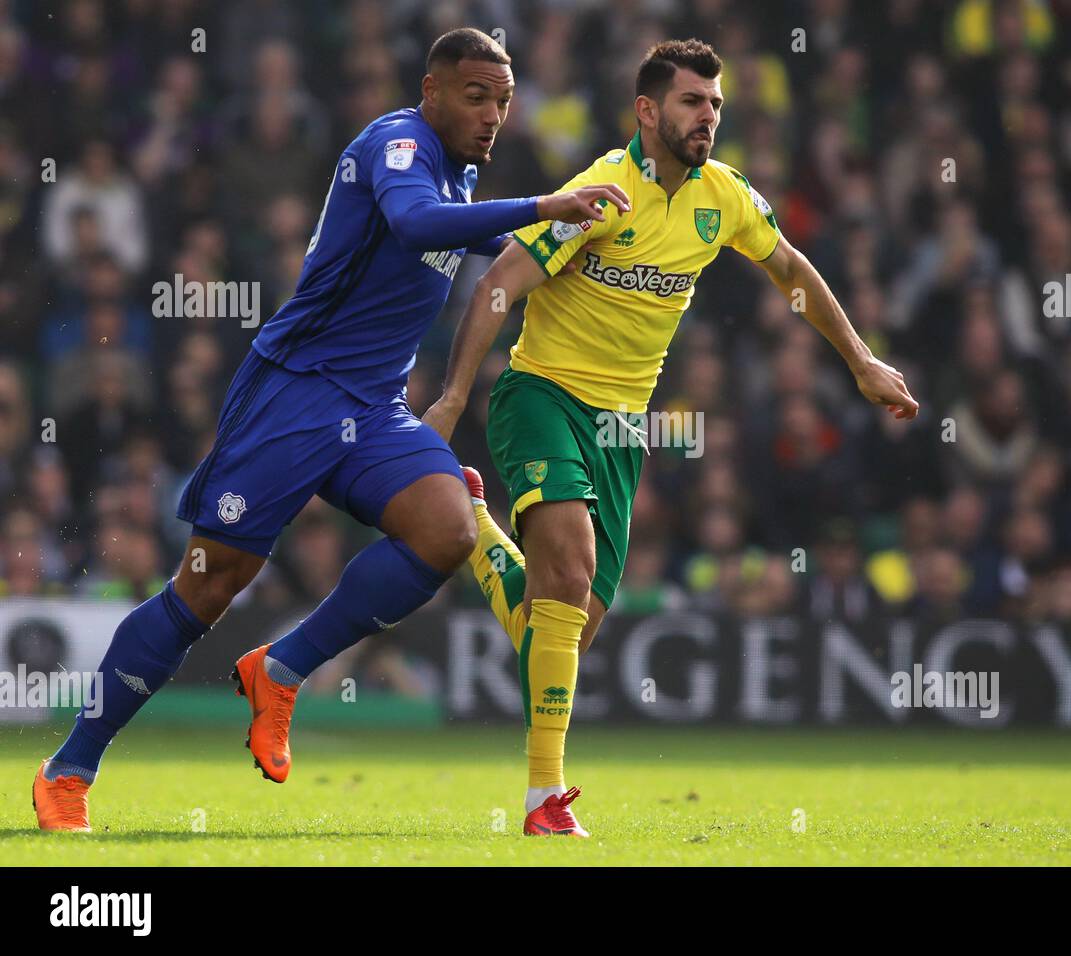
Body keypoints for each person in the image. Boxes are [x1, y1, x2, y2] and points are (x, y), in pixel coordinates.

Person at [32, 27, 629, 832]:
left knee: (447, 529)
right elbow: (418, 226)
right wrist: (545, 206)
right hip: (295, 393)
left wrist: (583, 239)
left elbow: (488, 239)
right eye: (476, 96)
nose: (492, 115)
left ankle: (280, 669)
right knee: (207, 588)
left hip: (376, 407)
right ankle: (70, 769)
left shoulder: (462, 169)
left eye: (504, 101)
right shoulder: (395, 144)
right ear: (432, 91)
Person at [423, 39, 919, 837]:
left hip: (624, 425)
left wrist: (860, 361)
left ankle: (478, 538)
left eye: (716, 105)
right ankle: (543, 799)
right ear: (648, 112)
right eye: (693, 103)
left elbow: (791, 270)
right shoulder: (600, 190)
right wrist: (451, 400)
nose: (709, 118)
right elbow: (499, 284)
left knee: (569, 622)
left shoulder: (722, 196)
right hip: (542, 395)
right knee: (571, 568)